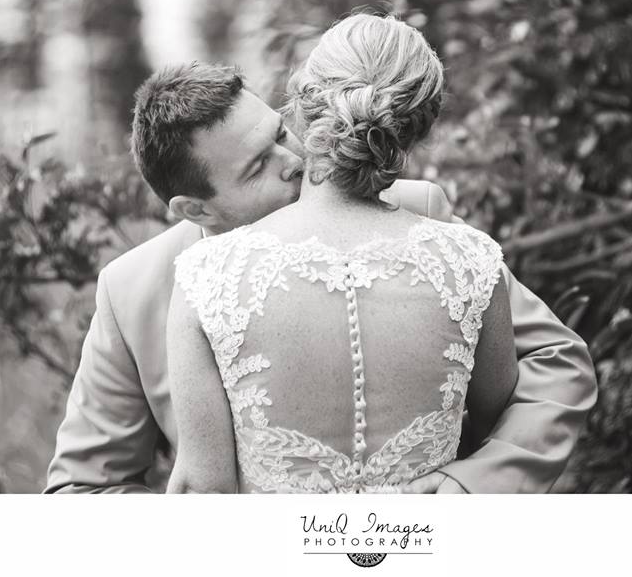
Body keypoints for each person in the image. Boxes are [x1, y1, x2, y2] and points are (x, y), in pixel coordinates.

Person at [45, 29, 597, 494]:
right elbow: (80, 489)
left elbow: (556, 360)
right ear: (195, 209)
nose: (293, 161)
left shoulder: (418, 216)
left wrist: (476, 483)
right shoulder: (133, 290)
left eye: (281, 133)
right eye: (257, 166)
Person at [167, 14, 519, 492]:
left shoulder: (206, 277)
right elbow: (496, 439)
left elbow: (203, 490)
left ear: (303, 101)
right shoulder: (473, 263)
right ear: (418, 128)